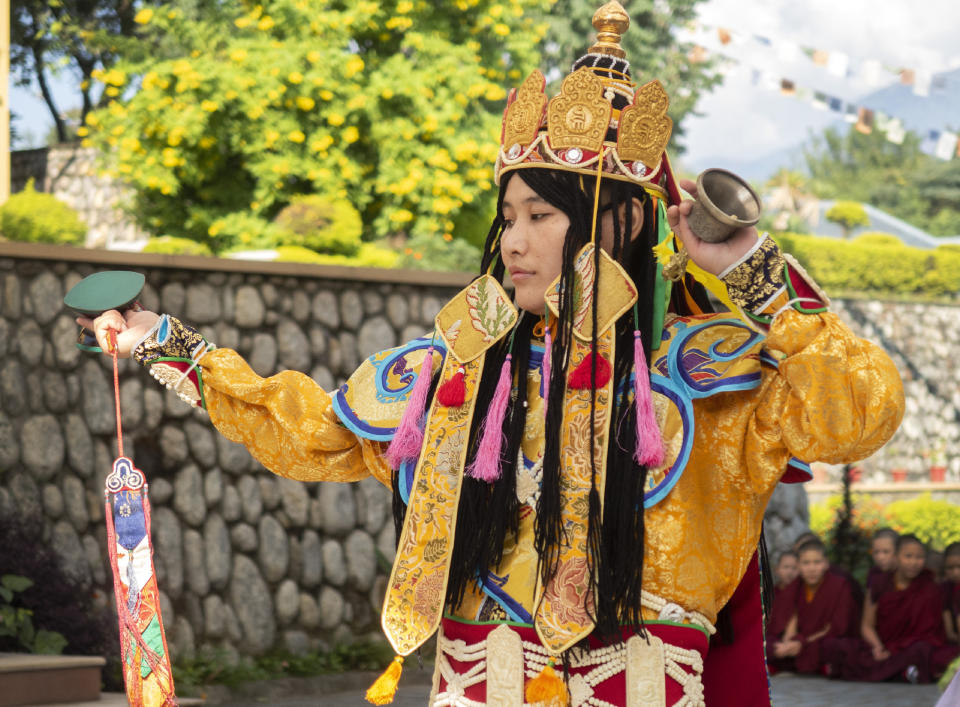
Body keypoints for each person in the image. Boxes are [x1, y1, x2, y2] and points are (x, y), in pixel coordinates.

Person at [79, 3, 905, 704]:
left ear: (616, 222)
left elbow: (857, 417)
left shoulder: (711, 374)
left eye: (541, 216)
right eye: (507, 217)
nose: (513, 240)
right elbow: (312, 432)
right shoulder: (460, 372)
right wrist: (169, 345)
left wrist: (753, 271)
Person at [826, 535, 960, 683]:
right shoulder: (880, 584)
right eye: (908, 556)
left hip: (912, 648)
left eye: (919, 557)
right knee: (837, 646)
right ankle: (906, 673)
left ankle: (903, 671)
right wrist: (877, 647)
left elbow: (934, 634)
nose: (914, 563)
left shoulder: (930, 585)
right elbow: (867, 625)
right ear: (896, 557)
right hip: (883, 646)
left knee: (926, 650)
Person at [767, 539, 859, 675]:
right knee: (766, 643)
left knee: (836, 646)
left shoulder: (839, 586)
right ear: (798, 566)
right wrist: (787, 644)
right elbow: (788, 625)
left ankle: (782, 665)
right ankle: (818, 668)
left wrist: (801, 643)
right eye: (806, 563)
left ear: (826, 564)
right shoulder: (795, 588)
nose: (812, 568)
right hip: (798, 642)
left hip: (819, 640)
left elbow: (837, 628)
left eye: (817, 562)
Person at [942, 542, 960, 645]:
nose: (955, 573)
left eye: (959, 567)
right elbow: (945, 610)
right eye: (950, 568)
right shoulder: (945, 588)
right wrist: (951, 634)